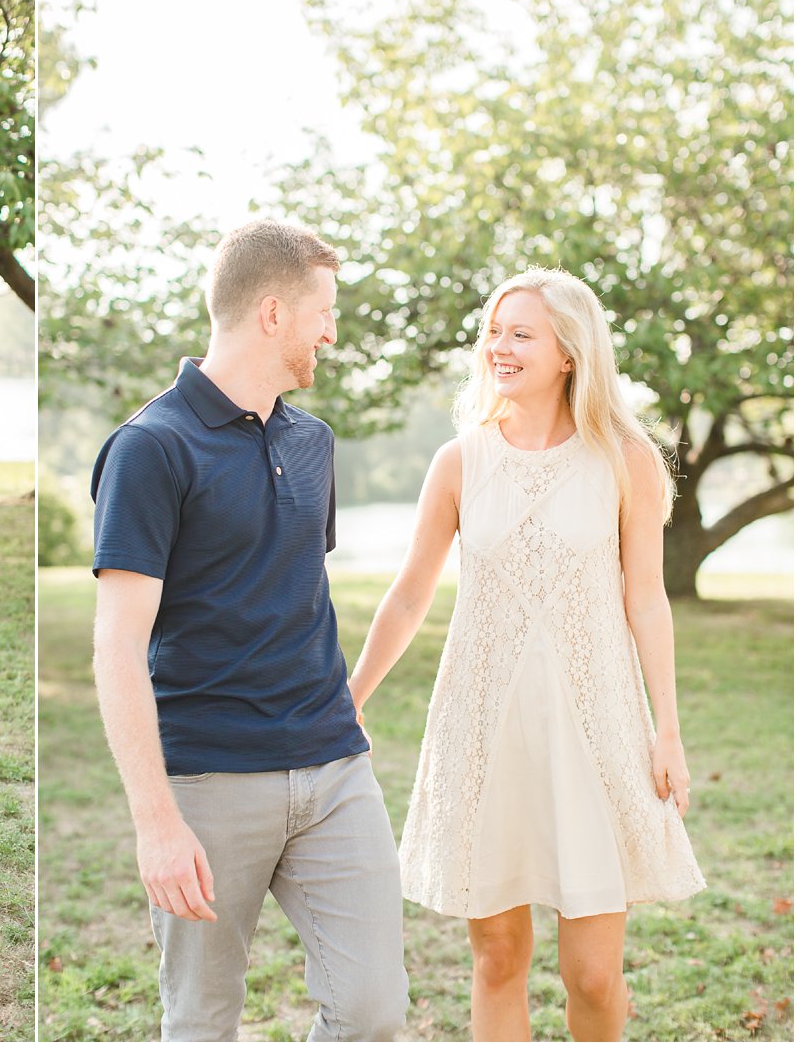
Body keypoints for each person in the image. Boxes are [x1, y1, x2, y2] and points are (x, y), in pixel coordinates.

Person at [347, 268, 705, 1041]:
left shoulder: (625, 460)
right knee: (499, 958)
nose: (498, 348)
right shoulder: (459, 461)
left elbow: (646, 597)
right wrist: (353, 693)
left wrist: (666, 727)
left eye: (520, 333)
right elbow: (410, 594)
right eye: (494, 331)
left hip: (595, 724)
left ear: (570, 352)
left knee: (594, 974)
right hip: (483, 726)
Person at [90, 220, 409, 1041]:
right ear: (273, 312)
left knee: (373, 1010)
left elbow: (295, 591)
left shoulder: (313, 442)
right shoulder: (149, 448)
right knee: (200, 1021)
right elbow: (118, 645)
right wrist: (156, 821)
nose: (333, 331)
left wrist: (346, 704)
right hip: (208, 784)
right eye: (324, 311)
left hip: (335, 769)